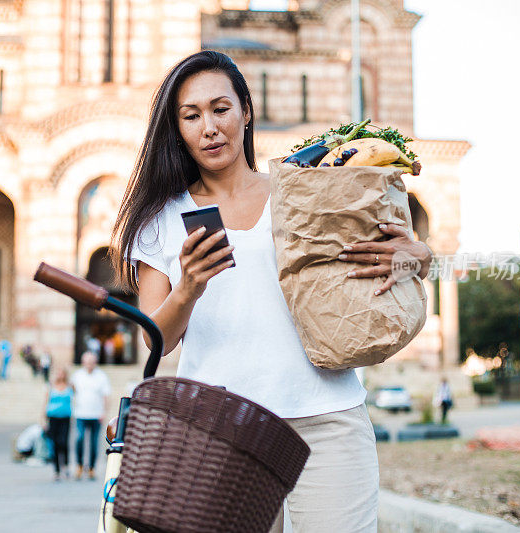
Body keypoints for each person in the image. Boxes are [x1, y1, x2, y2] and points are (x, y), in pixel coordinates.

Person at [111, 51, 433, 532]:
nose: (209, 128)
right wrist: (190, 287)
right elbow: (155, 337)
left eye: (220, 109)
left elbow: (378, 261)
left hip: (328, 420)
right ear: (176, 129)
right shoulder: (160, 219)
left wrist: (418, 257)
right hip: (222, 432)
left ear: (246, 109)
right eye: (191, 116)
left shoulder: (303, 189)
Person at [70, 351, 110, 480]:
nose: (89, 364)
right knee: (79, 439)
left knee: (94, 442)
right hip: (81, 413)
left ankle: (92, 467)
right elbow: (72, 392)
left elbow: (106, 395)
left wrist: (104, 412)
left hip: (96, 414)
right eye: (87, 362)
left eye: (91, 362)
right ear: (83, 362)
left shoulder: (101, 376)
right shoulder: (77, 375)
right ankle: (79, 465)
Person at [44, 367, 73, 481]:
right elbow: (46, 401)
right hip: (53, 417)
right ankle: (56, 469)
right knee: (55, 443)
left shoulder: (70, 387)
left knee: (63, 442)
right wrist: (43, 418)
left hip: (65, 417)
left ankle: (65, 466)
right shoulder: (51, 386)